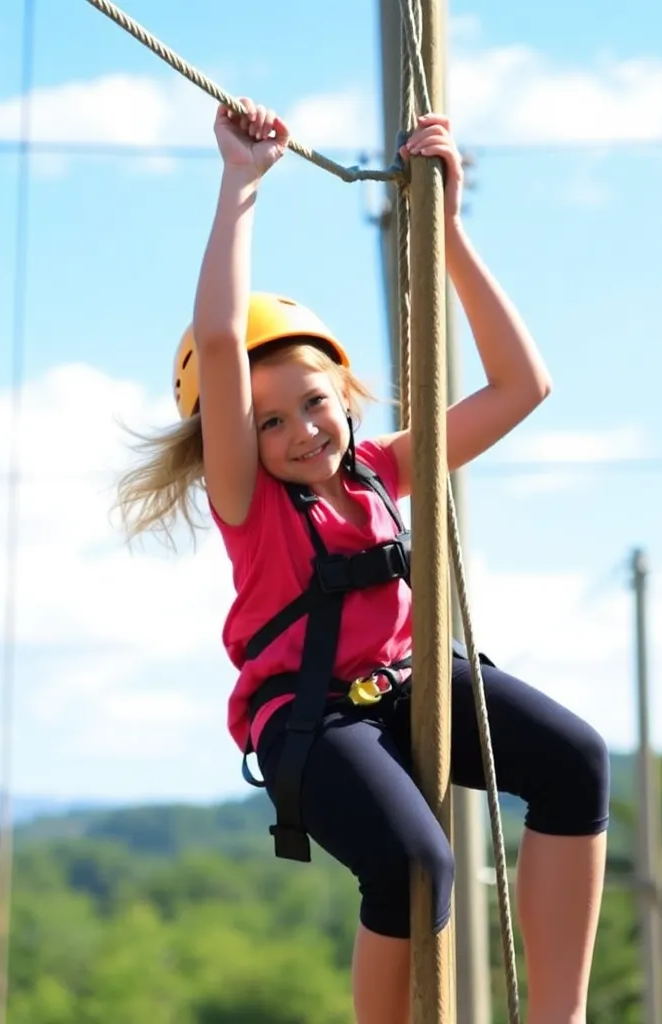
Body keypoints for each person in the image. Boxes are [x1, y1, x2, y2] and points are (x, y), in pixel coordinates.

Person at [117, 97, 609, 1024]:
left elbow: (522, 386)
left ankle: (560, 1015)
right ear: (238, 438)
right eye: (268, 422)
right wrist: (240, 185)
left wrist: (447, 233)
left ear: (344, 391)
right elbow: (220, 341)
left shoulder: (383, 467)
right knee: (414, 866)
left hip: (407, 682)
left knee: (575, 760)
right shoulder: (249, 502)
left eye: (314, 402)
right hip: (314, 717)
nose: (303, 431)